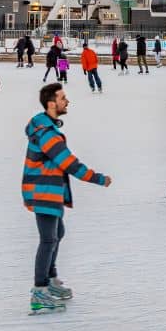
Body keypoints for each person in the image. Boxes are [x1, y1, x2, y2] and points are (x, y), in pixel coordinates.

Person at [22, 82, 112, 315]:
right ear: (52, 104)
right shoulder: (47, 135)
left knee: (56, 235)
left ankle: (50, 279)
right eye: (63, 98)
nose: (67, 101)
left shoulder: (45, 127)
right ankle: (39, 291)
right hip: (43, 190)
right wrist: (98, 178)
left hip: (48, 189)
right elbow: (70, 164)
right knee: (48, 239)